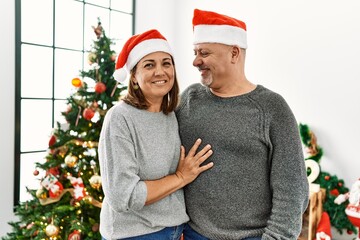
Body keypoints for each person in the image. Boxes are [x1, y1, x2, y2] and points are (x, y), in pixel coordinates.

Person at [176, 9, 309, 240]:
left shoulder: (272, 108)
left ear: (234, 53)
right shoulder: (189, 98)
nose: (196, 61)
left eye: (204, 52)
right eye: (195, 52)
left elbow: (293, 190)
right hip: (191, 234)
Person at [98, 29, 214, 240]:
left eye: (166, 63)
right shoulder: (120, 118)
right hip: (135, 235)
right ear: (133, 78)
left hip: (176, 231)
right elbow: (123, 196)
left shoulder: (170, 113)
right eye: (149, 65)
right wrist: (180, 177)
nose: (160, 72)